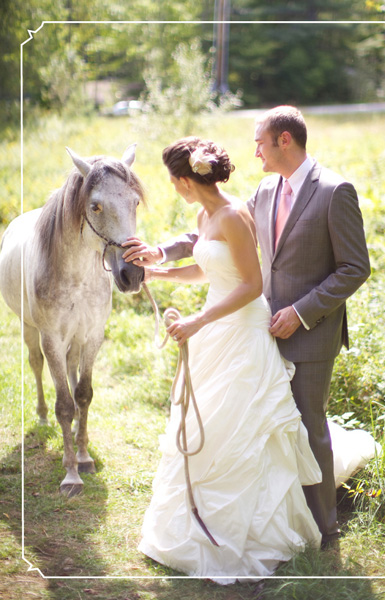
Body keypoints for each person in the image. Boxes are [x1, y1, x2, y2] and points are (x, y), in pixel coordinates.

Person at [125, 107, 372, 549]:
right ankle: (275, 516)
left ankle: (324, 529)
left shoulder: (335, 191)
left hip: (309, 330)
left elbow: (355, 268)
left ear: (283, 141)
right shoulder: (264, 188)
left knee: (306, 426)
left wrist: (300, 311)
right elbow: (213, 237)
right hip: (257, 325)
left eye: (260, 141)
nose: (253, 150)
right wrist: (158, 256)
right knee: (266, 430)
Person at [128, 136, 324, 583]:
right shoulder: (204, 213)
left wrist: (197, 320)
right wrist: (157, 270)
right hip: (216, 326)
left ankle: (252, 531)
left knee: (239, 427)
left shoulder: (234, 214)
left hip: (240, 328)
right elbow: (208, 269)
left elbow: (251, 285)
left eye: (171, 179)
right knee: (204, 424)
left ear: (182, 180)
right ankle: (200, 518)